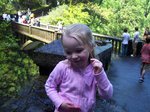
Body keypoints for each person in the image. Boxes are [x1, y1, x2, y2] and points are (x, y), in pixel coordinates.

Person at [45, 24, 113, 112]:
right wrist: (60, 103)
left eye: (79, 50)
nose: (73, 56)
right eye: (68, 52)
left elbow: (107, 95)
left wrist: (100, 75)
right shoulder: (63, 67)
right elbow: (49, 86)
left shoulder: (95, 70)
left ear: (91, 47)